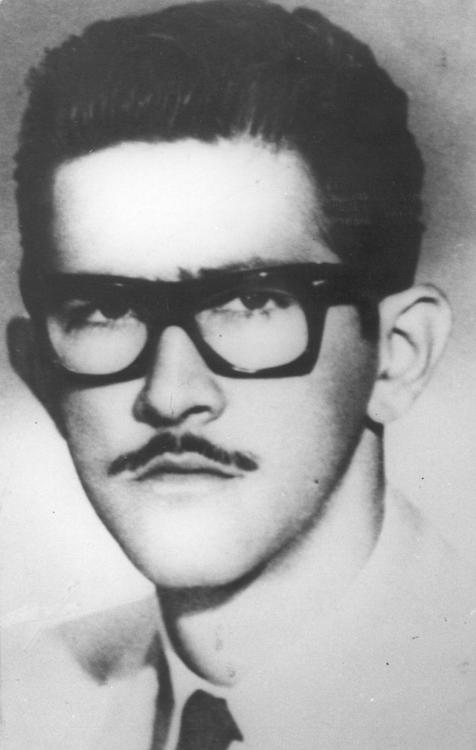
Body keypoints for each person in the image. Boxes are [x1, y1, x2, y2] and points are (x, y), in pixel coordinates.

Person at [6, 0, 476, 747]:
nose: (170, 394)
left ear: (398, 353)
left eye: (251, 301)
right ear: (39, 373)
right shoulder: (23, 705)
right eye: (104, 311)